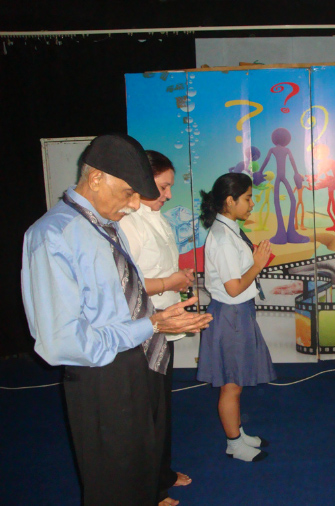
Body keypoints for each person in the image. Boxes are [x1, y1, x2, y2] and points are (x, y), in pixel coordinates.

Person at [21, 134, 213, 506]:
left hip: (135, 359)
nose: (134, 205)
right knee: (114, 482)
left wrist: (157, 323)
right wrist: (153, 325)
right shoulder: (52, 235)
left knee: (139, 466)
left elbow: (121, 297)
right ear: (96, 179)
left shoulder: (102, 226)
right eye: (128, 193)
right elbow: (60, 342)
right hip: (100, 376)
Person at [119, 150, 195, 506]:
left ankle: (161, 473)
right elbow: (123, 285)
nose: (168, 195)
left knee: (161, 408)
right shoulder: (127, 224)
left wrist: (178, 279)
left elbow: (159, 269)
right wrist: (169, 281)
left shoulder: (155, 217)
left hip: (164, 325)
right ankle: (151, 489)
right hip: (143, 330)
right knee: (147, 413)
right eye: (163, 187)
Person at [197, 172, 277, 462]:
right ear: (230, 201)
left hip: (238, 313)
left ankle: (238, 433)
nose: (252, 204)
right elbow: (233, 288)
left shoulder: (228, 229)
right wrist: (257, 264)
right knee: (231, 385)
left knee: (237, 381)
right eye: (247, 198)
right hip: (230, 315)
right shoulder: (222, 238)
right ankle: (233, 444)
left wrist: (254, 263)